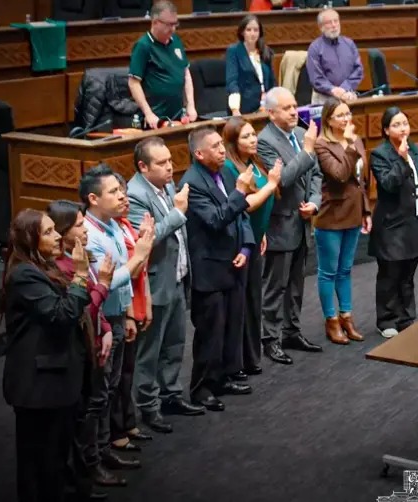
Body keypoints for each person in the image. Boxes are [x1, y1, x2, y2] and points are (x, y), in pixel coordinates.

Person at [2, 209, 91, 502]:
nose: (57, 237)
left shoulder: (42, 267)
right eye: (49, 232)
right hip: (37, 386)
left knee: (54, 462)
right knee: (39, 467)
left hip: (55, 380)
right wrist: (81, 276)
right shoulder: (24, 274)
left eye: (56, 230)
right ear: (31, 239)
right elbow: (61, 315)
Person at [180, 125, 263, 411]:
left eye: (221, 144)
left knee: (231, 325)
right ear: (199, 154)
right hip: (210, 269)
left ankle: (225, 376)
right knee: (210, 332)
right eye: (215, 146)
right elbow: (216, 219)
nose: (221, 150)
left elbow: (241, 217)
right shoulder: (192, 183)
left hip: (234, 261)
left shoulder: (225, 172)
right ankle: (202, 387)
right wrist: (239, 192)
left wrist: (246, 247)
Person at [127, 137, 207, 432]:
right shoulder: (135, 195)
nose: (170, 168)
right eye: (161, 163)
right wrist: (177, 213)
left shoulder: (167, 187)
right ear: (143, 167)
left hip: (177, 278)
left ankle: (171, 394)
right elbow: (146, 240)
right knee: (151, 350)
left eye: (170, 161)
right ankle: (148, 406)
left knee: (174, 344)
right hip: (154, 285)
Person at [80, 164, 153, 474]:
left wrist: (127, 315)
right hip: (99, 325)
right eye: (113, 191)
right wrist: (139, 256)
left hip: (117, 317)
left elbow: (123, 279)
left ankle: (106, 445)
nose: (122, 195)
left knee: (112, 388)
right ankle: (94, 457)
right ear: (93, 198)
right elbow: (105, 282)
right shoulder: (90, 235)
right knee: (100, 394)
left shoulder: (111, 224)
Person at [47, 200, 119, 495]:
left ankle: (96, 457)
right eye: (78, 225)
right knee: (85, 412)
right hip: (76, 350)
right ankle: (86, 467)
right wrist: (102, 284)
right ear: (62, 232)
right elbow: (81, 309)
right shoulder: (62, 267)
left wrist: (105, 329)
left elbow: (93, 312)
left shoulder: (79, 256)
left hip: (95, 340)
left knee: (99, 402)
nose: (85, 229)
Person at [257, 87, 324, 364]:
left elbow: (317, 174)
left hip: (302, 222)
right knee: (276, 286)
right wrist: (308, 150)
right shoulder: (265, 141)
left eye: (295, 105)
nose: (294, 111)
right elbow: (281, 180)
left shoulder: (300, 134)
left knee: (297, 284)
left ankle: (292, 331)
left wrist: (315, 203)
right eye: (287, 108)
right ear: (271, 113)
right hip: (279, 226)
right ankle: (270, 339)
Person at [368, 107, 418, 338]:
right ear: (386, 130)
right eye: (396, 125)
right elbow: (388, 184)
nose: (402, 128)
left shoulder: (415, 150)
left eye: (405, 123)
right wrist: (400, 157)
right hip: (391, 226)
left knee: (408, 275)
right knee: (390, 275)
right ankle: (386, 319)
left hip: (413, 223)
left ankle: (406, 317)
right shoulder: (380, 155)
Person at [222, 117, 282, 376]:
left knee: (254, 300)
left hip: (255, 237)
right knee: (241, 304)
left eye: (253, 135)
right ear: (233, 142)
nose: (253, 140)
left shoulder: (253, 162)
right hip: (238, 245)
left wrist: (263, 231)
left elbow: (261, 207)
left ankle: (251, 357)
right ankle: (238, 361)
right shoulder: (230, 167)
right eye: (246, 136)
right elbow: (247, 204)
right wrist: (271, 184)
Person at [313, 98, 371, 344]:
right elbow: (338, 175)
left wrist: (366, 211)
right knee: (329, 271)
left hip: (354, 213)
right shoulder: (321, 144)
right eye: (340, 115)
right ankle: (331, 321)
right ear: (328, 120)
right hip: (331, 216)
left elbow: (361, 180)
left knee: (346, 269)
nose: (346, 119)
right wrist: (348, 145)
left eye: (347, 113)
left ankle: (346, 316)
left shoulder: (356, 140)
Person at [109, 173, 154, 452]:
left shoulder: (125, 224)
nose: (125, 198)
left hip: (137, 300)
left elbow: (142, 270)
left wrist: (146, 303)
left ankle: (128, 422)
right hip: (122, 304)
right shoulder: (107, 231)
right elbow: (126, 271)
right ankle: (116, 430)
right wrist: (127, 314)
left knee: (128, 370)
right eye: (117, 193)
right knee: (117, 375)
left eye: (124, 191)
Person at [127, 1, 198, 129]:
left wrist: (190, 106)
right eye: (169, 25)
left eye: (175, 24)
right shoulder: (143, 46)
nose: (173, 29)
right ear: (155, 22)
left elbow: (186, 74)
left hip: (178, 118)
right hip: (155, 120)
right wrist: (148, 113)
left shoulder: (176, 41)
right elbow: (133, 83)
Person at [306, 9, 364, 105]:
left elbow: (358, 70)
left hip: (348, 95)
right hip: (324, 99)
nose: (334, 25)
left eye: (336, 21)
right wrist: (333, 90)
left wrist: (344, 89)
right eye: (329, 22)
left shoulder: (349, 44)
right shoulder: (315, 48)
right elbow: (316, 78)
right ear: (321, 27)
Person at [226, 14, 277, 116]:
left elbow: (272, 81)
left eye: (256, 30)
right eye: (249, 30)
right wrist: (235, 109)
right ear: (242, 32)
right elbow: (232, 81)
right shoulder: (234, 51)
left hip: (266, 106)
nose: (252, 34)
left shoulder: (265, 51)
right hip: (244, 107)